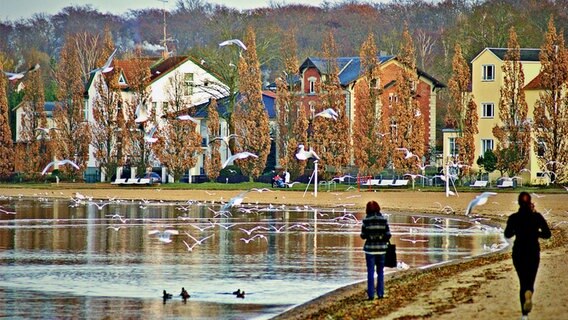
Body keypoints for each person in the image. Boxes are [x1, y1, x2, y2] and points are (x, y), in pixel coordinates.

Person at [504, 192, 551, 320]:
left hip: (519, 252)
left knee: (522, 281)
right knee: (530, 281)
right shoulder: (537, 217)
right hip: (533, 251)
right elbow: (547, 234)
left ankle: (524, 316)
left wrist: (517, 231)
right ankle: (529, 293)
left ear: (518, 203)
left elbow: (507, 234)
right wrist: (535, 233)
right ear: (530, 202)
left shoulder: (514, 218)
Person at [360, 200, 391, 300]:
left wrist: (370, 235)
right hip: (381, 249)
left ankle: (371, 295)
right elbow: (388, 235)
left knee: (370, 272)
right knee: (380, 272)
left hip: (370, 250)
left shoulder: (366, 221)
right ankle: (380, 293)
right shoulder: (383, 220)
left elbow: (363, 236)